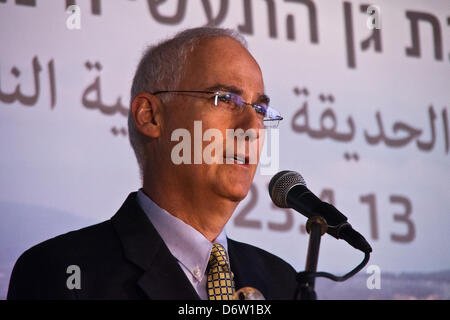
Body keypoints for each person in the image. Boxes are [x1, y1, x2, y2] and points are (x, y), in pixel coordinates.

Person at [7, 27, 298, 300]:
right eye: (225, 99)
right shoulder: (64, 272)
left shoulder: (283, 283)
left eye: (259, 109)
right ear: (151, 116)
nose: (253, 127)